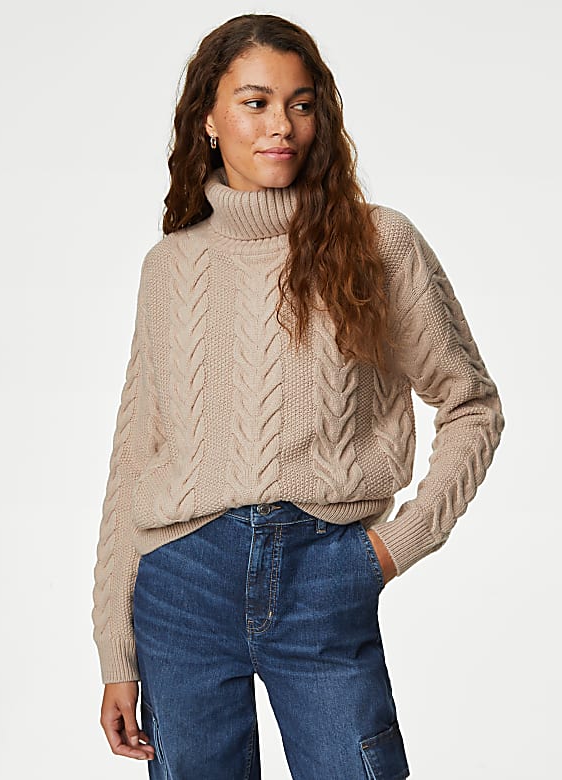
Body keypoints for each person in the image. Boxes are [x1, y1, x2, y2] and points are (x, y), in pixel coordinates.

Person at [91, 13, 505, 779]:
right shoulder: (170, 266)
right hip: (179, 584)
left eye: (301, 104)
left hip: (323, 570)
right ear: (208, 119)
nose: (281, 125)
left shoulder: (379, 241)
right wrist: (116, 650)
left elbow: (471, 403)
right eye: (255, 103)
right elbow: (135, 457)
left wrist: (392, 548)